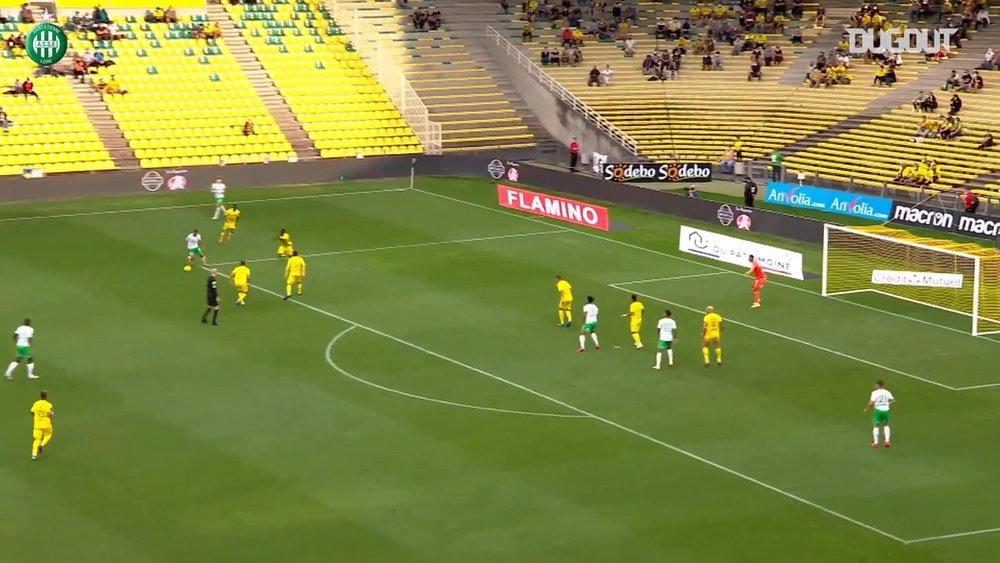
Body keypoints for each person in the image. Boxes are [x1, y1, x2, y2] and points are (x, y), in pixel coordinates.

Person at [864, 379, 895, 447]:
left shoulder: (875, 392)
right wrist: (887, 404)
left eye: (876, 385)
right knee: (886, 425)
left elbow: (871, 402)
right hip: (886, 410)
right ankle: (887, 441)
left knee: (876, 425)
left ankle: (876, 443)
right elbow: (893, 401)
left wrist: (867, 408)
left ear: (878, 385)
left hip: (878, 411)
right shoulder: (887, 392)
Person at [29, 390, 54, 461]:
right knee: (48, 434)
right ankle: (42, 444)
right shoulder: (49, 404)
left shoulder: (36, 403)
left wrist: (36, 416)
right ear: (46, 396)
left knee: (37, 440)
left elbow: (31, 412)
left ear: (40, 396)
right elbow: (50, 414)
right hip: (46, 424)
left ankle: (34, 455)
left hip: (37, 424)